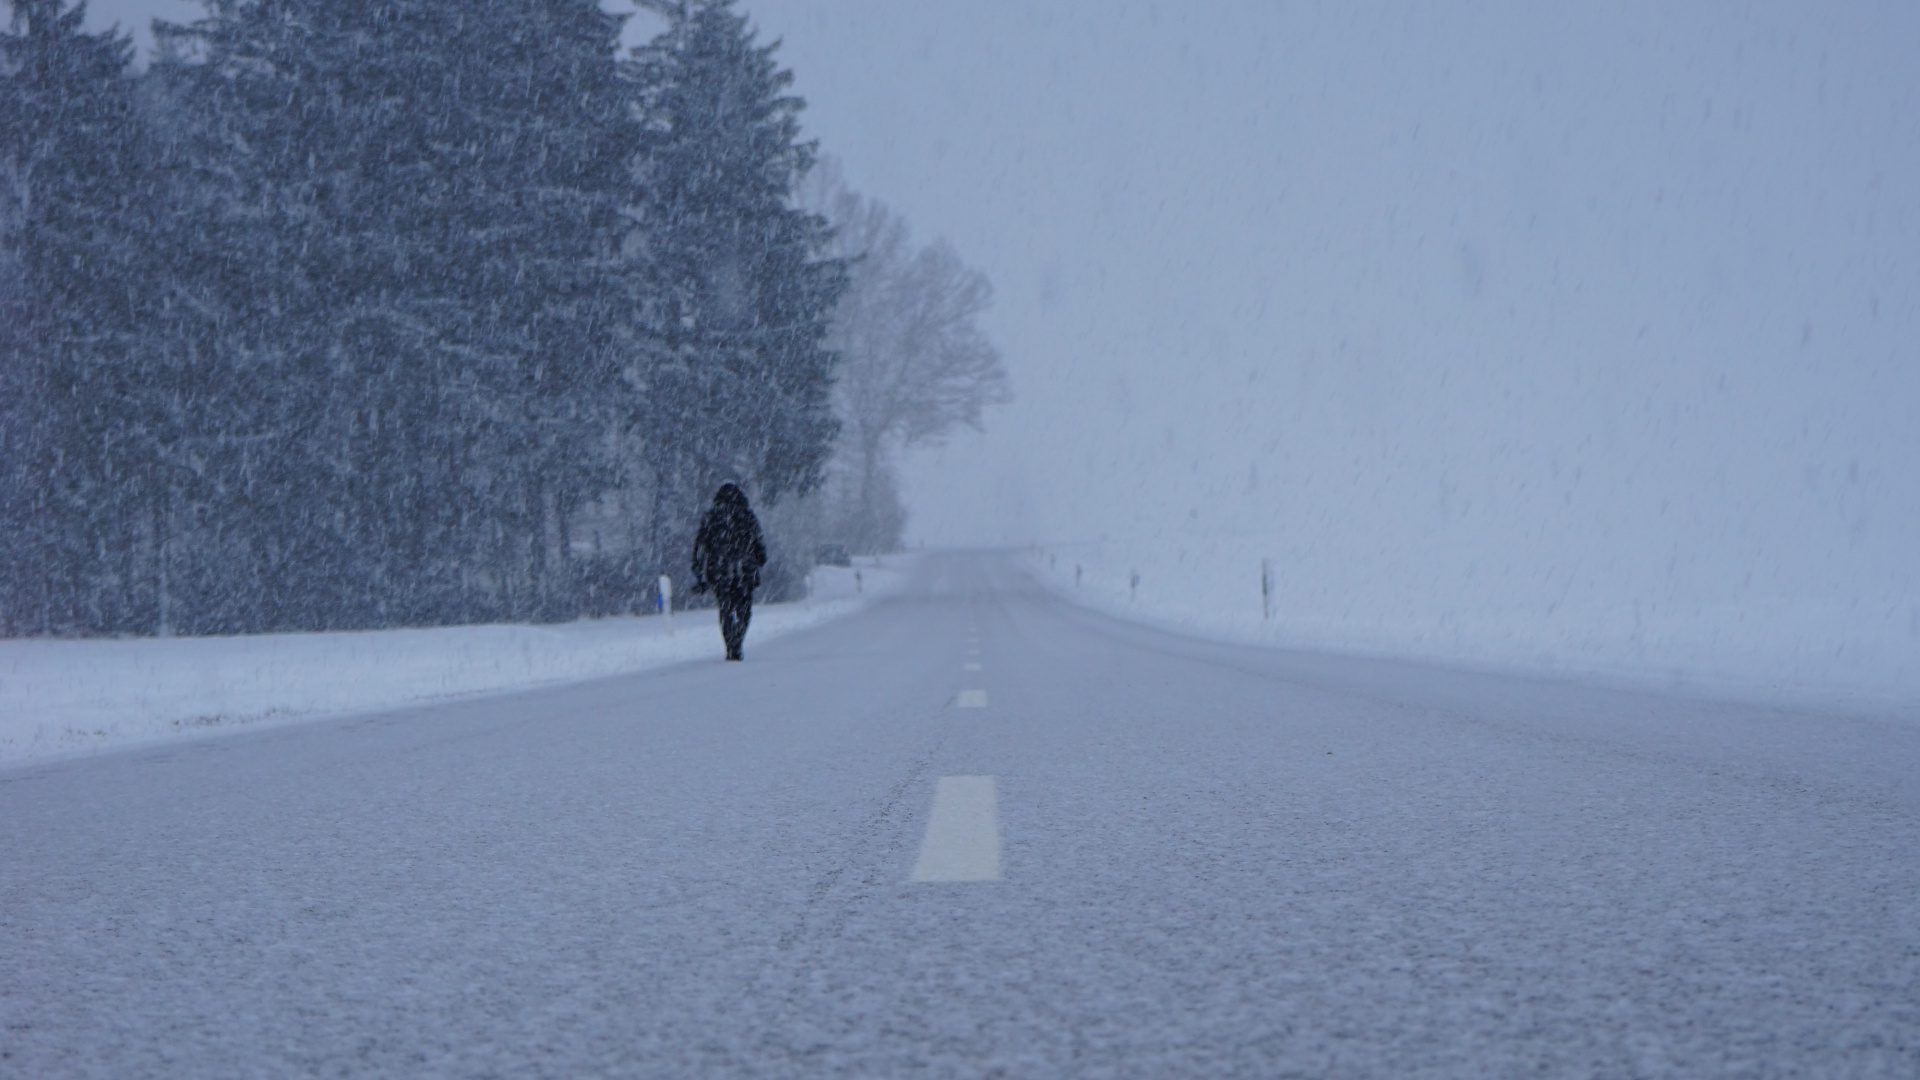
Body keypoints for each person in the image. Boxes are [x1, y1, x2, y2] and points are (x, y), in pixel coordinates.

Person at [690, 483, 767, 661]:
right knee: (744, 609)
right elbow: (758, 543)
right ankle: (738, 639)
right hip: (744, 571)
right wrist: (759, 559)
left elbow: (700, 546)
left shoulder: (711, 518)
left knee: (725, 608)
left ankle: (730, 642)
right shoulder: (748, 516)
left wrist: (698, 568)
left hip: (719, 570)